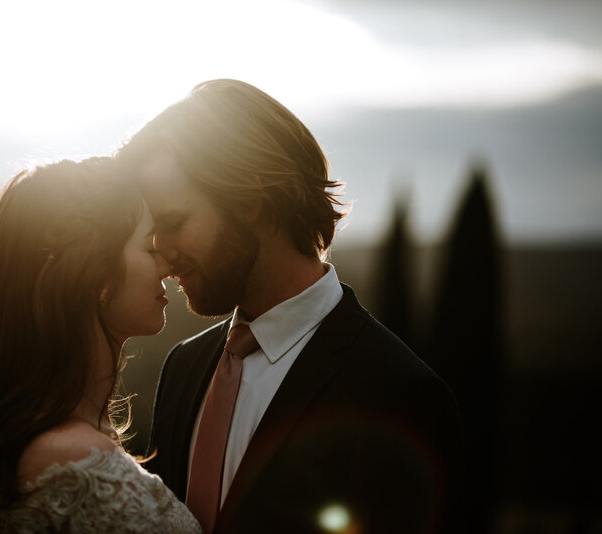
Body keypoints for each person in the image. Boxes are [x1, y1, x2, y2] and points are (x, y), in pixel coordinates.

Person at [116, 79, 465, 534]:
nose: (162, 252)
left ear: (251, 202)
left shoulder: (399, 393)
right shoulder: (184, 367)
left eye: (175, 222)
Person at [0, 157, 202, 533]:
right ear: (95, 275)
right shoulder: (76, 463)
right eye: (149, 247)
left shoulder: (47, 440)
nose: (167, 264)